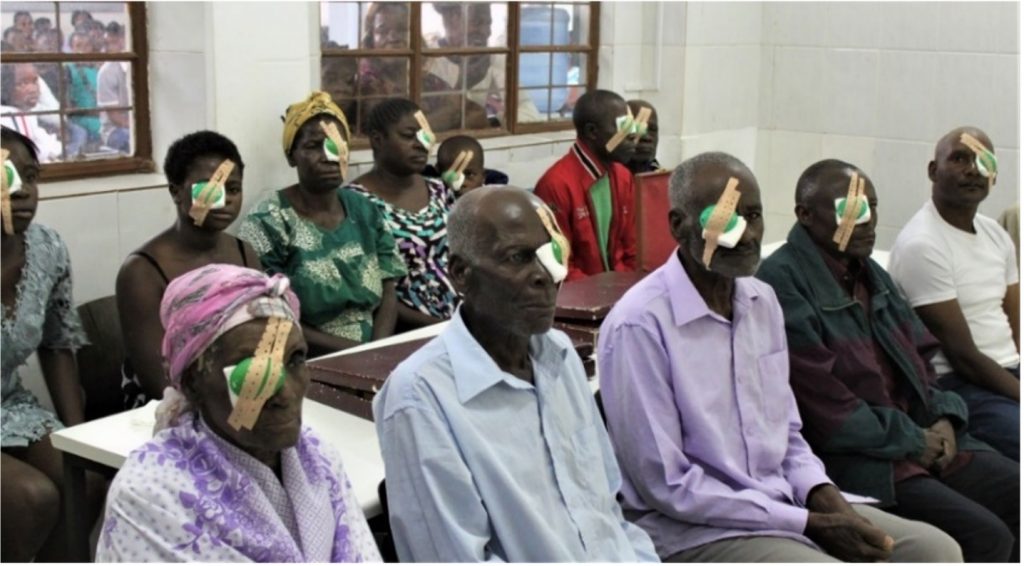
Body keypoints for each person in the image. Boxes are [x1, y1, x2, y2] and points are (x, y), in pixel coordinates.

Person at [598, 152, 963, 563]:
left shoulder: (761, 301)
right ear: (678, 225)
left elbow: (787, 435)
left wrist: (826, 500)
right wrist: (805, 524)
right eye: (724, 219)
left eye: (753, 216)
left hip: (784, 500)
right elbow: (667, 485)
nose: (747, 234)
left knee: (936, 551)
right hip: (698, 528)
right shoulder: (639, 326)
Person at [374, 186, 659, 562]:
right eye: (518, 258)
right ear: (461, 274)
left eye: (547, 255)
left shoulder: (560, 356)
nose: (544, 275)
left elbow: (607, 513)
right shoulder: (420, 399)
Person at [757, 159, 1019, 562]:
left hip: (923, 437)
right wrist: (915, 439)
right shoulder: (782, 283)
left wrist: (945, 418)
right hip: (863, 460)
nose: (865, 221)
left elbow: (923, 358)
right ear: (805, 215)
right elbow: (827, 411)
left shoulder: (870, 272)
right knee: (986, 534)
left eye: (871, 207)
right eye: (849, 210)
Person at [97, 264, 383, 562]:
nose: (284, 394)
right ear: (194, 382)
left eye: (295, 359)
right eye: (253, 374)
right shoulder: (150, 496)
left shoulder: (317, 457)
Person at [1, 127, 104, 561]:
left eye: (31, 176)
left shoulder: (46, 248)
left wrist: (80, 434)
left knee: (89, 479)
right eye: (7, 178)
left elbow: (58, 343)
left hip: (10, 406)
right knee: (33, 498)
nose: (23, 191)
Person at [889, 126, 1020, 462]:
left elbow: (1016, 321)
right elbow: (963, 356)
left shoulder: (995, 234)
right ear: (933, 170)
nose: (973, 169)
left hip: (1008, 374)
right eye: (960, 158)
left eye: (982, 162)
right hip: (961, 385)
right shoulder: (923, 244)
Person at [240, 91, 405, 355]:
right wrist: (353, 355)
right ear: (291, 156)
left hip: (374, 348)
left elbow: (388, 289)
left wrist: (378, 350)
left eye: (335, 146)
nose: (328, 156)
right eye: (313, 146)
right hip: (305, 354)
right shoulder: (269, 219)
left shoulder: (365, 209)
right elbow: (272, 313)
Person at [118, 131, 260, 410]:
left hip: (242, 392)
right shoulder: (142, 271)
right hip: (172, 404)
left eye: (232, 189)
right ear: (175, 191)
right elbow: (158, 381)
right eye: (209, 190)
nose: (224, 201)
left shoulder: (245, 253)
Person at [346, 97, 458, 330]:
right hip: (403, 328)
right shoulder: (354, 203)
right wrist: (438, 326)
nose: (421, 144)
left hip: (460, 318)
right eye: (409, 136)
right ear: (377, 140)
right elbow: (369, 289)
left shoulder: (438, 189)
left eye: (425, 136)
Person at [534, 89, 638, 281]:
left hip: (619, 291)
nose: (633, 137)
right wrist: (602, 295)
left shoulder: (623, 177)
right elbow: (561, 265)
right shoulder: (555, 185)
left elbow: (632, 249)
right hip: (581, 299)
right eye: (623, 127)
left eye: (632, 127)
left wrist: (628, 289)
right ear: (592, 132)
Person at [423, 2, 542, 126]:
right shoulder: (427, 61)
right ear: (452, 20)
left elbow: (526, 108)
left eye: (488, 23)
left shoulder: (492, 58)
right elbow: (423, 126)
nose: (486, 32)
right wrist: (464, 82)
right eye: (477, 22)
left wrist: (493, 123)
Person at [0, 63, 62, 162]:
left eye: (34, 81)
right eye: (22, 84)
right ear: (6, 87)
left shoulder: (26, 113)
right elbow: (29, 155)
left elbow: (44, 142)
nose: (33, 89)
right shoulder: (8, 115)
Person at [65, 29, 101, 156]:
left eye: (86, 46)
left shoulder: (98, 69)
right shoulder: (68, 70)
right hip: (80, 119)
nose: (82, 50)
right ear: (71, 48)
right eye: (78, 46)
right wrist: (92, 112)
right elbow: (68, 105)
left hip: (101, 117)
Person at [97, 22, 130, 153]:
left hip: (135, 125)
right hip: (114, 130)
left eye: (113, 43)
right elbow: (115, 117)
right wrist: (139, 129)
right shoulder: (107, 72)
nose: (108, 49)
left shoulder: (137, 67)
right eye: (107, 44)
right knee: (130, 139)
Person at [626, 99, 663, 174]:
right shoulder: (608, 177)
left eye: (652, 130)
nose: (647, 138)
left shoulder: (662, 178)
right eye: (637, 128)